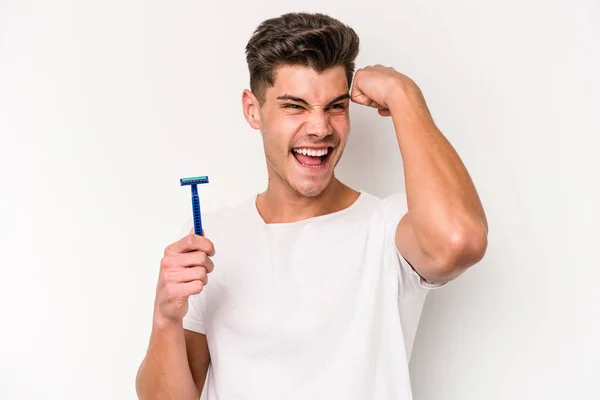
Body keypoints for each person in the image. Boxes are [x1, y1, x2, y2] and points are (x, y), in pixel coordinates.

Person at [136, 12, 488, 400]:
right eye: (295, 106)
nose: (320, 128)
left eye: (336, 106)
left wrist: (404, 96)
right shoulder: (213, 239)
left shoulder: (388, 229)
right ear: (253, 109)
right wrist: (165, 316)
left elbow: (460, 240)